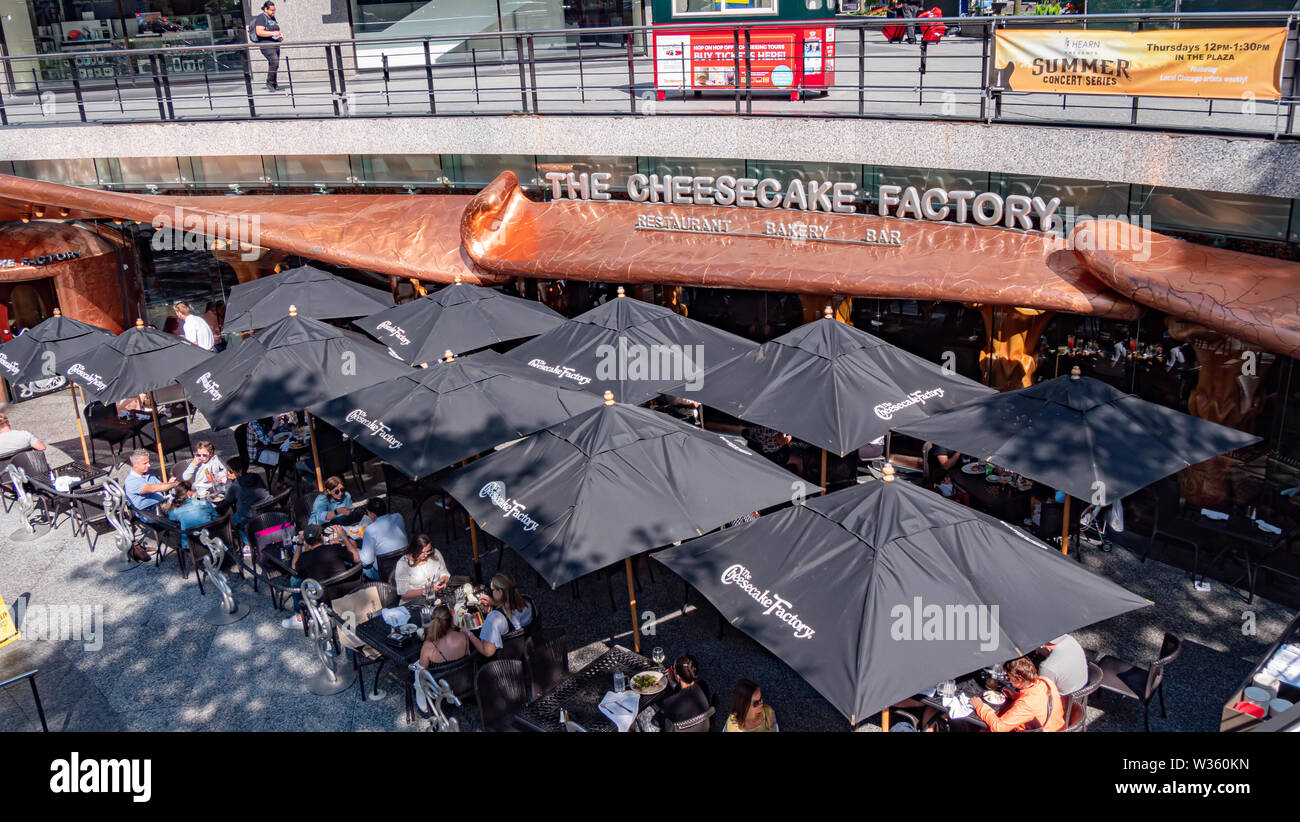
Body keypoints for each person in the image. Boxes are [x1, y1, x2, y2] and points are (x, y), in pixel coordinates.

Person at [283, 523, 358, 628]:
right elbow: (356, 558)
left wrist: (299, 544)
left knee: (295, 579)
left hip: (323, 598)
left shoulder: (305, 557)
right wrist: (344, 536)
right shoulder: (335, 548)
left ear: (306, 541)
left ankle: (299, 616)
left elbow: (294, 568)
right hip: (347, 591)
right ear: (322, 537)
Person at [971, 655, 1065, 732]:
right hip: (1056, 725)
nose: (1008, 679)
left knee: (984, 730)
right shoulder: (1045, 681)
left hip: (1042, 730)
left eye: (1009, 677)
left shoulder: (1026, 703)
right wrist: (1016, 696)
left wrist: (980, 707)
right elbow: (1039, 703)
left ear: (1019, 679)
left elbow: (998, 728)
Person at [335, 497, 408, 581]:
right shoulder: (398, 517)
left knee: (354, 560)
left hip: (385, 575)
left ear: (372, 515)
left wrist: (346, 540)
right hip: (404, 567)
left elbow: (366, 562)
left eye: (368, 513)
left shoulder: (370, 530)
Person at [463, 573, 532, 658]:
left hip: (504, 659)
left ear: (500, 592)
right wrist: (495, 603)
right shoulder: (529, 601)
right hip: (528, 648)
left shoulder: (494, 618)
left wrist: (468, 633)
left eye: (492, 590)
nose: (491, 592)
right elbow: (511, 611)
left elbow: (487, 651)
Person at [660, 653, 712, 726]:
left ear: (677, 677)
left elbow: (664, 726)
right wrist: (672, 683)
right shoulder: (703, 686)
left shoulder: (670, 702)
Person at [224, 456, 270, 538]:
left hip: (250, 517)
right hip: (266, 509)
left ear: (239, 471)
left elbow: (227, 501)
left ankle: (248, 543)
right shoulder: (256, 476)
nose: (227, 473)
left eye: (230, 472)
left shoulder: (236, 485)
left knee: (234, 518)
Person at [167, 480, 219, 551]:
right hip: (211, 539)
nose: (195, 491)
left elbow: (171, 518)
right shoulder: (202, 501)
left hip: (191, 545)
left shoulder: (176, 509)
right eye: (193, 489)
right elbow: (215, 516)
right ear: (189, 492)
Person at [394, 534, 450, 600]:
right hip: (416, 601)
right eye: (422, 552)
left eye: (428, 551)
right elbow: (404, 594)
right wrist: (424, 591)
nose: (426, 555)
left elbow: (444, 572)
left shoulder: (435, 554)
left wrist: (444, 580)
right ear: (413, 550)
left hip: (438, 595)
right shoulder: (403, 564)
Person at [251, 1, 284, 92]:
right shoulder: (261, 18)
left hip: (275, 43)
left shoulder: (272, 18)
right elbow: (259, 32)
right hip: (266, 44)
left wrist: (279, 35)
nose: (273, 12)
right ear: (265, 9)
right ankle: (269, 82)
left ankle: (274, 83)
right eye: (271, 10)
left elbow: (275, 29)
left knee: (275, 64)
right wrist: (273, 33)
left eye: (274, 10)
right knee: (274, 61)